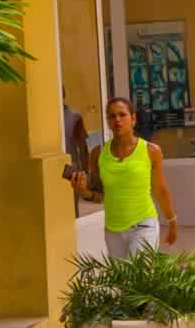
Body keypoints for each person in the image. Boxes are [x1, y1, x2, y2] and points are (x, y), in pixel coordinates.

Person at [70, 98, 179, 258]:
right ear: (107, 121)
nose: (117, 120)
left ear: (133, 118)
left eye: (122, 114)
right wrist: (83, 191)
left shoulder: (150, 150)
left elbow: (160, 190)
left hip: (143, 225)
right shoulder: (98, 153)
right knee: (123, 282)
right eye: (112, 116)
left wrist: (172, 220)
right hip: (113, 231)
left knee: (138, 276)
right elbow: (99, 195)